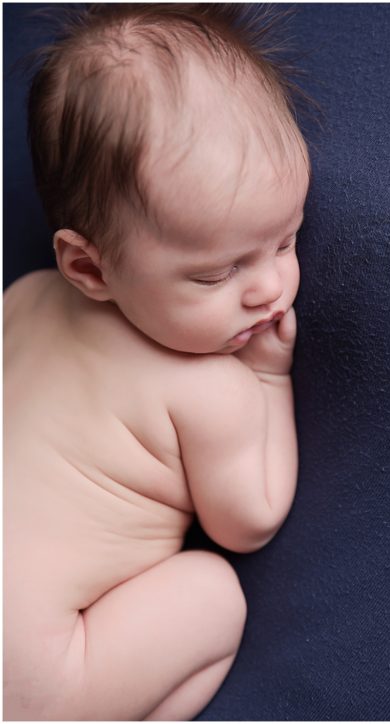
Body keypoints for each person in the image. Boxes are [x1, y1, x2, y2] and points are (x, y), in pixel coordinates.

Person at [4, 5, 309, 718]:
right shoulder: (212, 390)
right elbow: (252, 519)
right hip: (35, 670)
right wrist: (269, 379)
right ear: (90, 267)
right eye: (215, 274)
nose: (268, 288)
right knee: (214, 593)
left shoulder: (23, 297)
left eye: (287, 240)